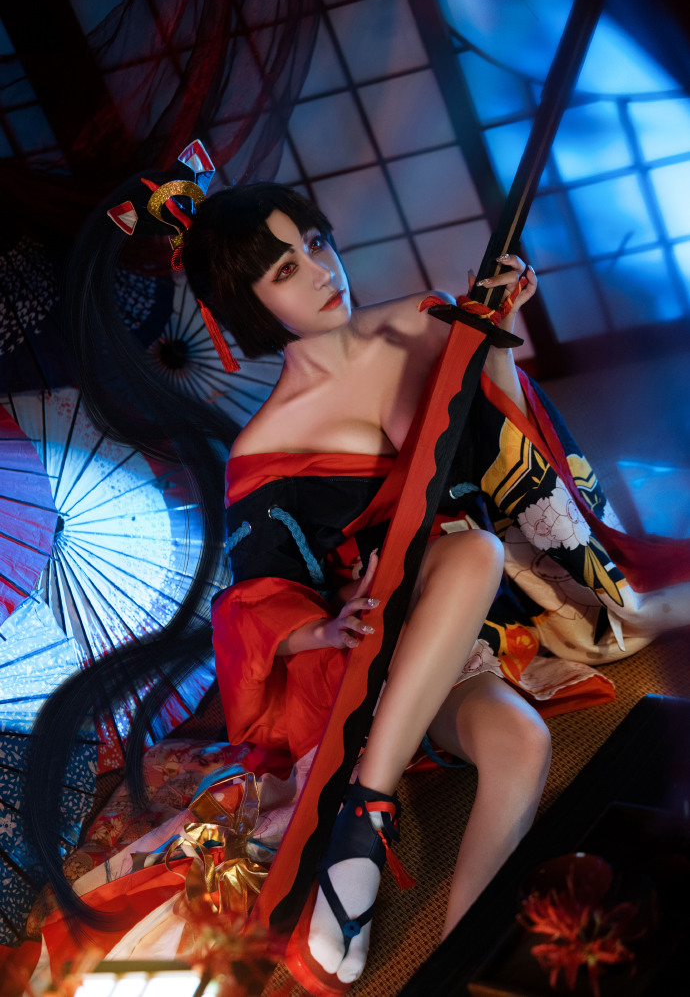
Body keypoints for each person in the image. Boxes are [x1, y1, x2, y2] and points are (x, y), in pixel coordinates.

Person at [178, 180, 690, 995]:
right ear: (249, 303)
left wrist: (496, 341)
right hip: (387, 656)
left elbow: (512, 449)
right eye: (284, 269)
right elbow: (262, 591)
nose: (320, 270)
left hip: (487, 619)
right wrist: (321, 627)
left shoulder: (427, 322)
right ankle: (365, 818)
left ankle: (452, 960)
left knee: (517, 718)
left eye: (316, 242)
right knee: (477, 575)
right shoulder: (266, 443)